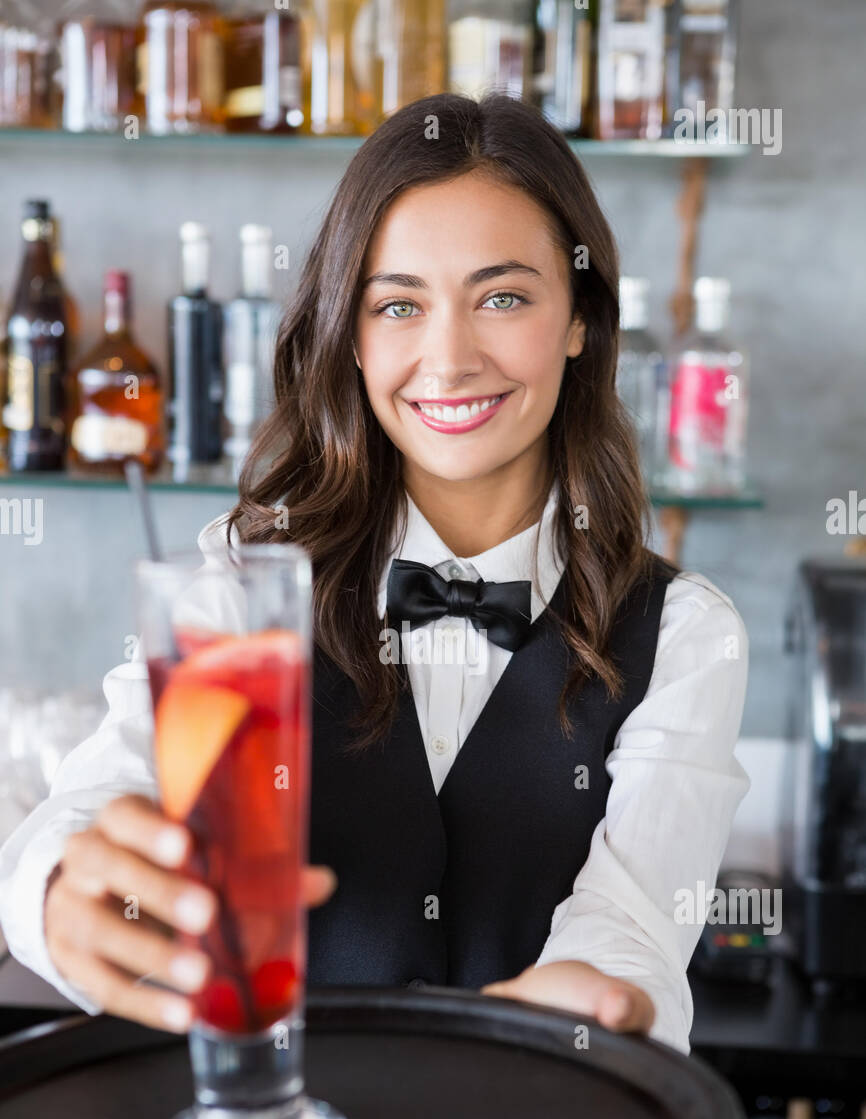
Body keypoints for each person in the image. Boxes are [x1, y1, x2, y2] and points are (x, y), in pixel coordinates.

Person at [0, 91, 749, 1063]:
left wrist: (590, 998)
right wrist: (62, 886)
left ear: (579, 320)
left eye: (503, 297)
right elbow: (105, 791)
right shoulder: (245, 580)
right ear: (350, 338)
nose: (448, 358)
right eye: (398, 305)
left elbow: (635, 927)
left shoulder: (684, 634)